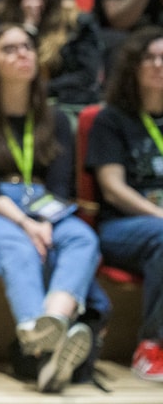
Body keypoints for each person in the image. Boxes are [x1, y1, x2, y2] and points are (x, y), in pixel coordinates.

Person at [0, 23, 101, 393]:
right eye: (10, 49)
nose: (22, 54)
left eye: (27, 47)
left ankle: (49, 327)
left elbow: (59, 187)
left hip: (47, 208)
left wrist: (40, 220)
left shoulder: (57, 119)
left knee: (83, 238)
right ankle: (44, 341)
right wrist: (25, 222)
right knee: (18, 247)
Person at [86, 26, 163, 382]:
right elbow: (113, 188)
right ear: (133, 66)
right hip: (123, 226)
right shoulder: (112, 119)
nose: (159, 65)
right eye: (150, 58)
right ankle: (152, 347)